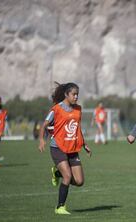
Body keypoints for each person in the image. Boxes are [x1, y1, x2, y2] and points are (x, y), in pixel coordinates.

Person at [38, 82, 91, 215]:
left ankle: (57, 173)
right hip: (58, 147)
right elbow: (44, 125)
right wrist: (41, 140)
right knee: (67, 176)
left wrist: (84, 144)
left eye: (77, 94)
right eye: (74, 94)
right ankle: (60, 207)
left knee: (79, 181)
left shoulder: (78, 109)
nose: (76, 97)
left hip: (73, 148)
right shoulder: (56, 109)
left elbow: (77, 128)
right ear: (66, 95)